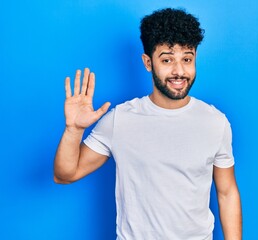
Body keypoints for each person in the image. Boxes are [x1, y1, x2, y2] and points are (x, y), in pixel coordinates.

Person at [54, 8, 242, 240]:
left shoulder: (215, 122)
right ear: (147, 62)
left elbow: (226, 192)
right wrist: (74, 130)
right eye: (167, 60)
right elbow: (65, 174)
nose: (179, 71)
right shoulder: (120, 120)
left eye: (187, 59)